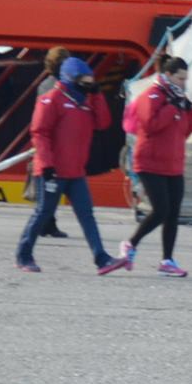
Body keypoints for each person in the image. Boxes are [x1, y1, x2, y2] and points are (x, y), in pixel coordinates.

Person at [17, 55, 129, 275]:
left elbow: (103, 122)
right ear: (71, 79)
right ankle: (23, 255)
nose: (88, 84)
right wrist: (47, 165)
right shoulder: (51, 100)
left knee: (86, 214)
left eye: (91, 80)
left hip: (76, 171)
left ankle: (101, 258)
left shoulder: (85, 102)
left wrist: (97, 96)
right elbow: (40, 133)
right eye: (85, 80)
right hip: (53, 171)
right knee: (43, 213)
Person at [121, 55, 192, 277]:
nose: (183, 83)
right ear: (167, 75)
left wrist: (188, 107)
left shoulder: (178, 97)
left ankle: (167, 260)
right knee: (161, 210)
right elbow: (149, 125)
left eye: (186, 78)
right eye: (179, 78)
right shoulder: (153, 95)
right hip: (150, 162)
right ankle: (131, 243)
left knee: (173, 213)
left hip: (173, 163)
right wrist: (171, 108)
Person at [24, 47, 70, 239]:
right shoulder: (56, 87)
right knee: (50, 184)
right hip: (53, 141)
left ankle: (48, 223)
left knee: (50, 184)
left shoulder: (44, 85)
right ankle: (44, 224)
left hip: (50, 140)